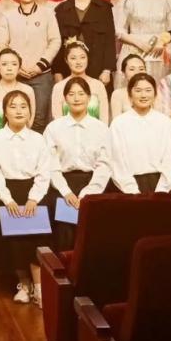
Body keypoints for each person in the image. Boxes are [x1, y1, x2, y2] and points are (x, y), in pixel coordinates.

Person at [0, 90, 54, 307]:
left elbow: (44, 171)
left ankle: (39, 287)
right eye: (13, 106)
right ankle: (24, 285)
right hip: (6, 193)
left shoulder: (38, 139)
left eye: (23, 106)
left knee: (36, 239)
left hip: (34, 191)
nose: (18, 111)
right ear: (5, 112)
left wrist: (34, 198)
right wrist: (7, 199)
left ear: (30, 111)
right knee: (15, 242)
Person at [45, 77, 111, 250]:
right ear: (65, 98)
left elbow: (105, 164)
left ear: (89, 98)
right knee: (64, 232)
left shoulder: (101, 128)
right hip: (62, 184)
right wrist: (66, 192)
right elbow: (50, 164)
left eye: (81, 94)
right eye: (71, 94)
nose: (76, 98)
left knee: (92, 233)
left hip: (93, 183)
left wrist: (88, 192)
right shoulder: (54, 128)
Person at [0, 0, 61, 130]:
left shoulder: (48, 13)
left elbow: (55, 41)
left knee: (39, 119)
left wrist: (40, 65)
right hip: (15, 76)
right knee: (13, 117)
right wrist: (15, 67)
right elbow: (2, 45)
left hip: (41, 75)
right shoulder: (8, 16)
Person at [108, 73, 171, 194]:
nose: (143, 95)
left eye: (148, 90)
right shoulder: (119, 123)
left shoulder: (165, 122)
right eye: (138, 91)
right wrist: (131, 191)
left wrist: (162, 190)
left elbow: (170, 160)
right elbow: (117, 162)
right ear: (130, 95)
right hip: (127, 187)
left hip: (160, 184)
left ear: (155, 94)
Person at [55, 0, 116, 86]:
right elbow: (58, 42)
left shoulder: (104, 8)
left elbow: (109, 40)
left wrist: (107, 70)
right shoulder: (62, 9)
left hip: (98, 70)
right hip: (69, 70)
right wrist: (57, 71)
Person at [50, 39, 110, 123]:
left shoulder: (98, 85)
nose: (78, 62)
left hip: (95, 130)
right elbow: (57, 119)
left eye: (82, 57)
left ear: (87, 59)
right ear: (66, 60)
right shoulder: (59, 87)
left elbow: (104, 119)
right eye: (73, 58)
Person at [0, 48, 35, 136]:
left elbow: (30, 120)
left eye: (14, 64)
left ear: (19, 68)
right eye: (4, 64)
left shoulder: (28, 90)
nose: (9, 68)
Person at [110, 54, 146, 118]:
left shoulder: (153, 93)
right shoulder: (118, 94)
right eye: (132, 69)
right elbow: (116, 121)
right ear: (123, 73)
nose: (137, 72)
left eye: (141, 69)